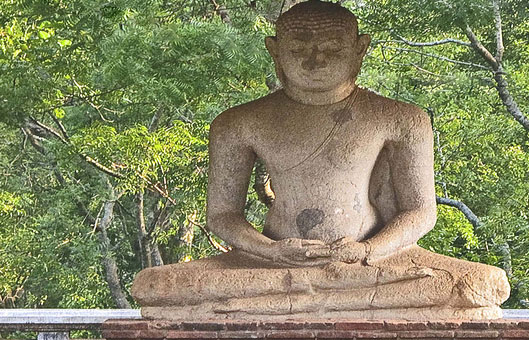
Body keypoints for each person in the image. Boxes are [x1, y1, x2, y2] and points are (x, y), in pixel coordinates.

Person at [132, 0, 509, 320]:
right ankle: (314, 293)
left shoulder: (401, 118)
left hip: (372, 262)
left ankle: (294, 298)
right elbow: (222, 216)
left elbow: (420, 212)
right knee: (154, 285)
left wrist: (366, 251)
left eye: (332, 48)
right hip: (268, 263)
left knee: (482, 284)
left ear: (360, 49)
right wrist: (272, 251)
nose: (315, 60)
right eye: (298, 50)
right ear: (275, 50)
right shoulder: (238, 123)